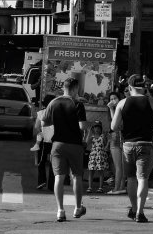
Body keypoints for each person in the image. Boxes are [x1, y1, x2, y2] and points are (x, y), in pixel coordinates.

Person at [111, 74, 153, 223]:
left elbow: (114, 127)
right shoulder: (152, 101)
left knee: (131, 179)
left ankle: (133, 208)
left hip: (127, 145)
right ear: (144, 87)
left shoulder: (122, 103)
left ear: (130, 87)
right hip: (145, 144)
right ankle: (140, 211)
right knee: (143, 179)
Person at [42, 78, 88, 222]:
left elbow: (44, 122)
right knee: (76, 176)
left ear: (64, 88)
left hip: (58, 144)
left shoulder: (53, 102)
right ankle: (77, 207)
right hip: (75, 144)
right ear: (75, 89)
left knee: (58, 177)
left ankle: (60, 210)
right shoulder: (78, 104)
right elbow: (82, 127)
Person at [33, 94, 56, 190]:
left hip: (43, 141)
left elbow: (36, 128)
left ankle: (41, 181)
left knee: (41, 162)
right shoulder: (57, 113)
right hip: (55, 141)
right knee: (53, 163)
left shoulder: (41, 113)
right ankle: (51, 185)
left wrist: (40, 135)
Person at [106, 92, 126, 194]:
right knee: (119, 166)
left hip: (119, 137)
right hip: (116, 137)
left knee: (119, 166)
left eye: (115, 98)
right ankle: (120, 187)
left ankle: (117, 188)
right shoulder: (115, 109)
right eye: (111, 98)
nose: (113, 100)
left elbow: (116, 124)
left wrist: (111, 109)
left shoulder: (120, 108)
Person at [86, 121, 108, 193]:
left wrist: (104, 136)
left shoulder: (102, 136)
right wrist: (89, 132)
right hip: (93, 156)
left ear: (101, 129)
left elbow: (105, 144)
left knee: (101, 172)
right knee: (91, 172)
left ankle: (100, 187)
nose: (97, 129)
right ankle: (89, 187)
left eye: (98, 127)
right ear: (93, 128)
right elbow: (86, 143)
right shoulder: (92, 137)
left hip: (100, 156)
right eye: (95, 127)